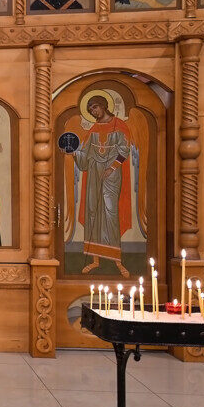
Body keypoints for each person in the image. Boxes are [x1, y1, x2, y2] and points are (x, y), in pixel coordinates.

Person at [74, 95, 131, 278]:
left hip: (111, 175)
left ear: (104, 106)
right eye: (90, 110)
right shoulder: (93, 129)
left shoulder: (119, 125)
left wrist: (112, 167)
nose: (94, 112)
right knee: (93, 212)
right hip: (93, 174)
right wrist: (73, 152)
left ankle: (117, 261)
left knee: (110, 212)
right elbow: (84, 155)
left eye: (95, 108)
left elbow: (124, 149)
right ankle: (95, 260)